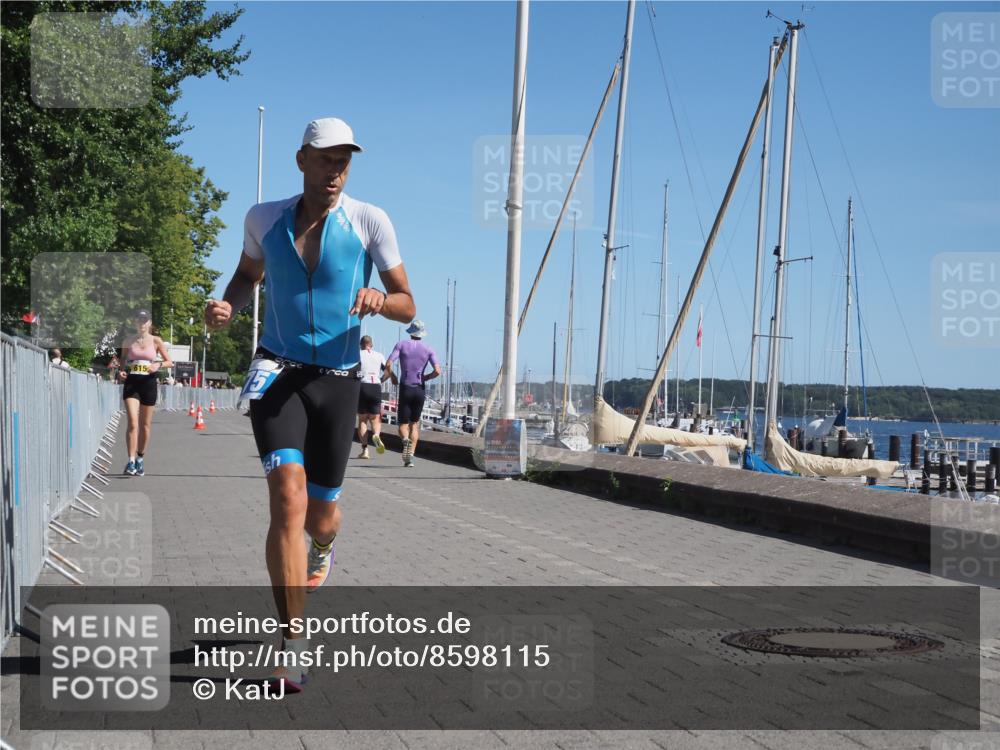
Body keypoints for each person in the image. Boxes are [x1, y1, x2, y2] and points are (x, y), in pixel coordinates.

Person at [205, 117, 415, 692]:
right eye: (326, 159)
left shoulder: (370, 220)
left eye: (345, 160)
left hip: (339, 381)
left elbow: (406, 300)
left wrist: (381, 298)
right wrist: (226, 305)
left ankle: (324, 547)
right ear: (302, 160)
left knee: (321, 514)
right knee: (286, 497)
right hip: (276, 374)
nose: (337, 169)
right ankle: (292, 642)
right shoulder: (263, 218)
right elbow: (247, 275)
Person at [118, 310, 173, 476]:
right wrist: (121, 371)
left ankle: (140, 458)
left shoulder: (156, 341)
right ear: (135, 322)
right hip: (132, 383)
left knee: (145, 425)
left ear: (149, 323)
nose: (142, 323)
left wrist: (158, 365)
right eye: (139, 320)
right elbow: (122, 360)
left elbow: (169, 362)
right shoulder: (128, 340)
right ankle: (131, 461)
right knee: (133, 422)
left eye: (145, 320)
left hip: (148, 383)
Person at [384, 320, 441, 467]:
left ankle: (405, 441)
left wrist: (393, 376)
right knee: (414, 424)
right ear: (422, 333)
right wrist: (426, 377)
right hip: (419, 389)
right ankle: (410, 458)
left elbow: (388, 363)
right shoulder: (429, 349)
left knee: (403, 425)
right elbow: (438, 371)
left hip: (406, 387)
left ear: (411, 332)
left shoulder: (401, 345)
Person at [356, 335, 391, 459]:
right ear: (372, 344)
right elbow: (388, 371)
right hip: (375, 386)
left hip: (363, 386)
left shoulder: (358, 354)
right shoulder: (379, 355)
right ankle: (376, 434)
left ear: (361, 344)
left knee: (362, 420)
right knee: (375, 418)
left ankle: (365, 450)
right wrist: (381, 380)